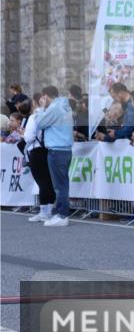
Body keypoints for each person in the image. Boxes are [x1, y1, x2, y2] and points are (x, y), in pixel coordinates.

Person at [34, 86, 74, 227]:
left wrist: (41, 108)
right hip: (64, 149)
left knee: (60, 185)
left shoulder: (54, 108)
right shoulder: (64, 106)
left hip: (57, 150)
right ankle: (59, 213)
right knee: (62, 184)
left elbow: (40, 123)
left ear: (45, 96)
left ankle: (62, 215)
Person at [22, 99, 55, 223]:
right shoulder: (52, 117)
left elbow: (29, 137)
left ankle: (43, 212)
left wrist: (24, 135)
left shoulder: (34, 117)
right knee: (49, 182)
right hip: (50, 150)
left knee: (42, 182)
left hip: (37, 150)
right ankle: (49, 211)